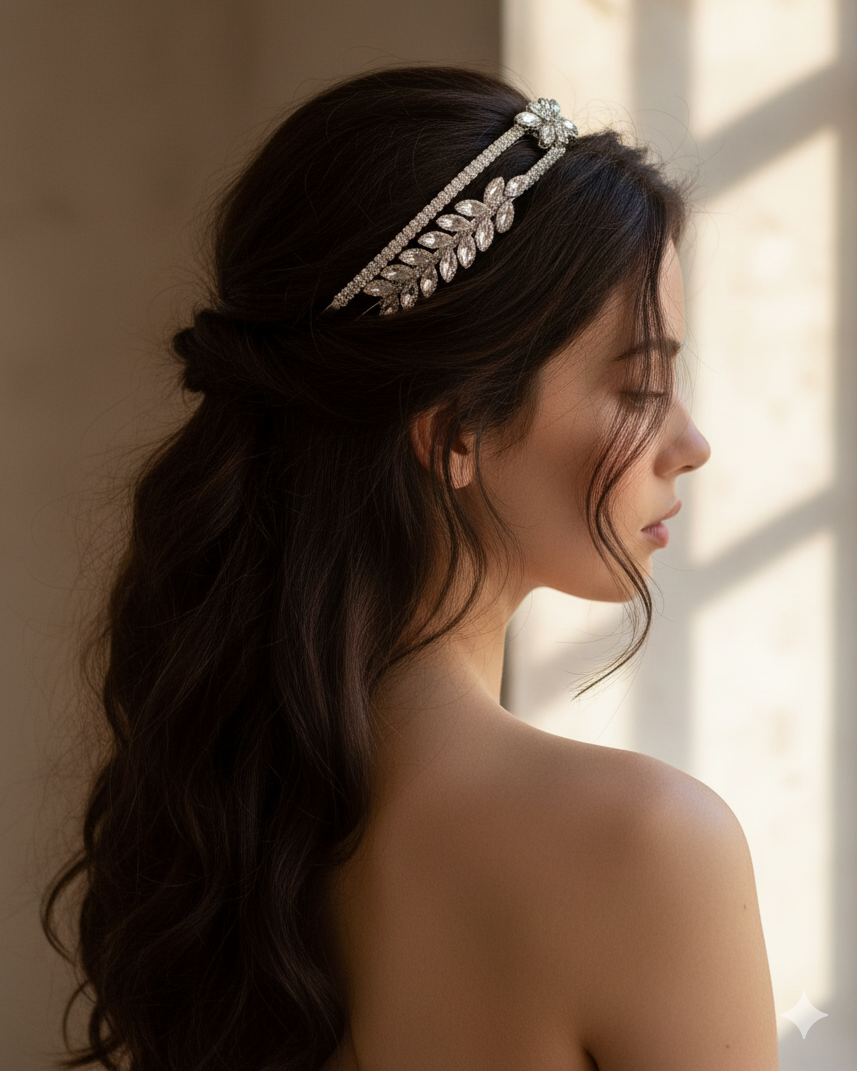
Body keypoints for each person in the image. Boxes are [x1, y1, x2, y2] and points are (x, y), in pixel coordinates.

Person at [44, 66, 778, 1071]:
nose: (687, 440)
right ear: (455, 428)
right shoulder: (644, 845)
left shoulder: (223, 822)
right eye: (640, 381)